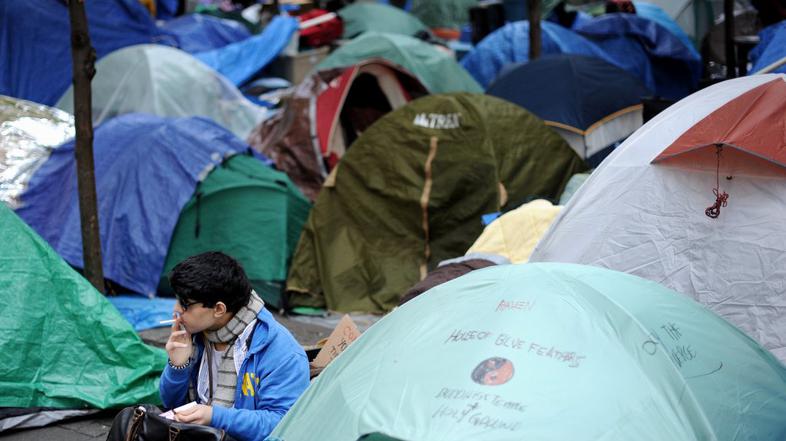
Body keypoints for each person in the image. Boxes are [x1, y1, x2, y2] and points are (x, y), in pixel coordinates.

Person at [160, 251, 309, 441]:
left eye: (185, 304)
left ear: (219, 309)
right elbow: (171, 403)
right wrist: (178, 366)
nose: (176, 311)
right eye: (177, 299)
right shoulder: (194, 334)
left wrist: (214, 416)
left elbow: (281, 423)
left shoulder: (280, 351)